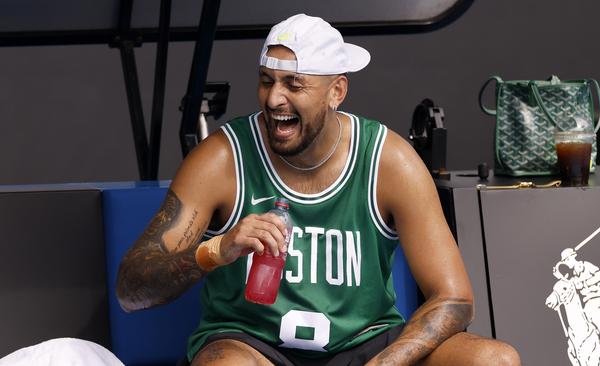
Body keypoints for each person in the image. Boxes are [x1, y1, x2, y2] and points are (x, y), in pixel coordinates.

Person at [116, 13, 521, 366]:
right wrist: (216, 249)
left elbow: (454, 298)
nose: (275, 98)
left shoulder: (388, 161)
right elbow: (131, 289)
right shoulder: (223, 158)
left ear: (336, 92)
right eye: (266, 81)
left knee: (495, 360)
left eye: (294, 84)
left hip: (367, 347)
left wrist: (384, 364)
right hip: (254, 347)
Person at [554, 248, 600, 364]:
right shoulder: (572, 276)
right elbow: (569, 286)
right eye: (564, 261)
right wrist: (560, 277)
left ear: (572, 257)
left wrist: (584, 283)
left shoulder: (586, 266)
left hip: (596, 303)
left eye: (566, 260)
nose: (566, 262)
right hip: (585, 308)